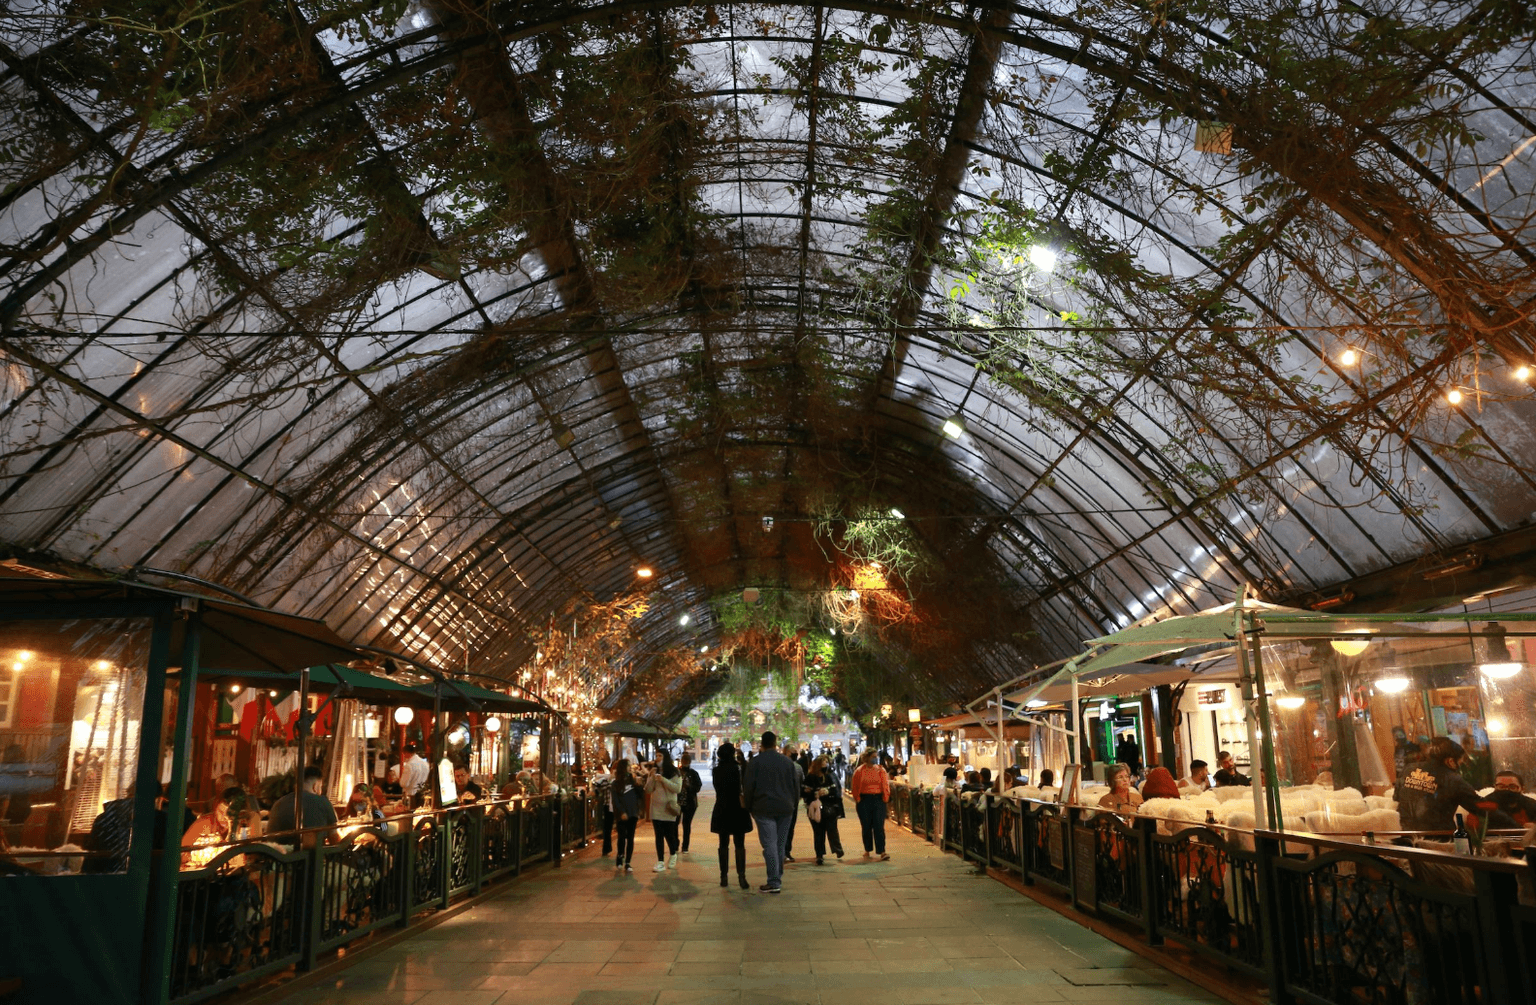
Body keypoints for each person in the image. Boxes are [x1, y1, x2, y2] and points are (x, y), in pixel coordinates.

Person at [1397, 737, 1514, 831]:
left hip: (1407, 837)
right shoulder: (1453, 779)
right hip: (1439, 840)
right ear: (1450, 761)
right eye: (1460, 763)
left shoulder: (1409, 769)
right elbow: (1481, 807)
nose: (1460, 767)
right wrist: (1517, 826)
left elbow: (1397, 797)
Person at [741, 730, 798, 893]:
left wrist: (750, 806)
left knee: (770, 844)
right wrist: (793, 803)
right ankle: (776, 876)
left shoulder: (755, 762)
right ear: (775, 743)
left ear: (762, 744)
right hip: (785, 807)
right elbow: (795, 786)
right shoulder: (787, 762)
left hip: (763, 807)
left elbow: (748, 787)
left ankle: (774, 881)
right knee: (780, 844)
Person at [710, 741, 753, 889]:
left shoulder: (716, 771)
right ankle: (742, 877)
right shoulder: (739, 769)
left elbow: (718, 788)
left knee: (723, 844)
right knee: (739, 844)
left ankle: (724, 876)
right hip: (737, 809)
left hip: (722, 808)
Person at [268, 765, 339, 847]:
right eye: (320, 787)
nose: (320, 791)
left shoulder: (278, 803)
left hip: (277, 857)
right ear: (315, 786)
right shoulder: (323, 802)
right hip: (308, 858)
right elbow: (334, 840)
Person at [644, 750, 683, 872]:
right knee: (658, 835)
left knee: (669, 834)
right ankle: (660, 861)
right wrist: (652, 778)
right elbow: (648, 789)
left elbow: (677, 788)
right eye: (656, 756)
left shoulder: (674, 772)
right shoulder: (653, 771)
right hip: (656, 808)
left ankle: (673, 853)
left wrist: (663, 780)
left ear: (665, 757)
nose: (657, 758)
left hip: (668, 808)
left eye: (660, 756)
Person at [181, 787, 240, 868]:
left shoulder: (242, 824)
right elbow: (181, 852)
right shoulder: (204, 823)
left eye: (229, 813)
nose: (224, 817)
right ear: (215, 809)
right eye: (221, 812)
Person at [849, 748, 891, 860]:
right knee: (866, 826)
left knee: (879, 826)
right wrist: (857, 799)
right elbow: (855, 786)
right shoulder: (859, 771)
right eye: (873, 756)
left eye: (876, 756)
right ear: (866, 758)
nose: (875, 758)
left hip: (878, 799)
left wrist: (885, 798)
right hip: (864, 800)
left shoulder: (880, 770)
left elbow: (885, 784)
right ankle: (867, 849)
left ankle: (882, 851)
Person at [803, 754, 845, 864]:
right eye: (823, 764)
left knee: (832, 829)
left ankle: (837, 849)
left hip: (829, 807)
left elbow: (836, 790)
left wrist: (827, 791)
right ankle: (819, 854)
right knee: (818, 832)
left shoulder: (830, 776)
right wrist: (814, 793)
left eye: (826, 763)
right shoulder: (810, 777)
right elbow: (804, 792)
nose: (825, 765)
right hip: (815, 808)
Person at [610, 759, 642, 873]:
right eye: (628, 766)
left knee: (631, 838)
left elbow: (640, 795)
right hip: (622, 815)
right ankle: (620, 856)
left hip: (633, 813)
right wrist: (622, 812)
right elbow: (615, 800)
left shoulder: (632, 780)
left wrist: (637, 784)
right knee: (622, 837)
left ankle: (628, 862)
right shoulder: (615, 783)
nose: (630, 767)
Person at [783, 743, 805, 863]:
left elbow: (801, 783)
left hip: (794, 802)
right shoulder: (781, 767)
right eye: (792, 752)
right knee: (783, 828)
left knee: (790, 828)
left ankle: (787, 851)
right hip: (783, 801)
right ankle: (782, 852)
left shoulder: (798, 768)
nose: (794, 754)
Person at [678, 752, 702, 855]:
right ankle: (676, 843)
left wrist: (689, 787)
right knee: (675, 823)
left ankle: (685, 846)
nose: (685, 763)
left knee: (686, 825)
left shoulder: (693, 773)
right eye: (684, 761)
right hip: (677, 802)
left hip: (689, 803)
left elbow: (698, 787)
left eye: (686, 762)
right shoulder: (677, 772)